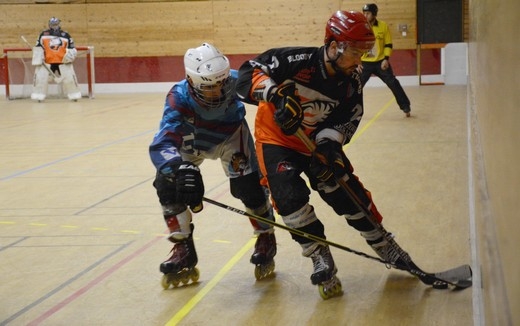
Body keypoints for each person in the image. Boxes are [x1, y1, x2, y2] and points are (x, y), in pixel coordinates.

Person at [236, 10, 417, 299]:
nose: (359, 60)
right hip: (276, 140)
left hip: (315, 143)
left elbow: (349, 118)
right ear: (333, 46)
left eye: (363, 52)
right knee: (287, 197)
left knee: (341, 187)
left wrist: (329, 149)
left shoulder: (352, 80)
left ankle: (382, 242)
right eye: (353, 52)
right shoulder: (296, 61)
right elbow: (247, 73)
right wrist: (275, 95)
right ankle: (318, 252)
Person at [149, 43, 277, 288]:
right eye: (209, 87)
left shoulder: (237, 80)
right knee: (167, 184)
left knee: (247, 188)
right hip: (189, 142)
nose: (218, 91)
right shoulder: (178, 98)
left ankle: (265, 235)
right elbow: (163, 143)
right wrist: (178, 168)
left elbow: (269, 91)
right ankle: (182, 245)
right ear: (190, 81)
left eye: (223, 83)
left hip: (230, 137)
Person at [360, 3, 411, 117]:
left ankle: (405, 106)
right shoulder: (361, 27)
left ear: (374, 14)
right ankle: (348, 110)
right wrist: (357, 62)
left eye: (368, 13)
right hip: (365, 63)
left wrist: (386, 59)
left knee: (393, 83)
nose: (365, 15)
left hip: (380, 62)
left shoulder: (383, 26)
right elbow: (356, 45)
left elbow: (388, 44)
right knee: (356, 87)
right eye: (364, 13)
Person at [31, 17, 81, 102]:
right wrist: (39, 58)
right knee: (41, 78)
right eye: (53, 24)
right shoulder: (43, 34)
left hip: (63, 62)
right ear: (49, 25)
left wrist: (69, 56)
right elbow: (38, 47)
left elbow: (72, 48)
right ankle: (39, 95)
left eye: (56, 24)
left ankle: (74, 95)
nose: (55, 26)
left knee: (70, 79)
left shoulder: (66, 35)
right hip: (48, 62)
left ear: (59, 24)